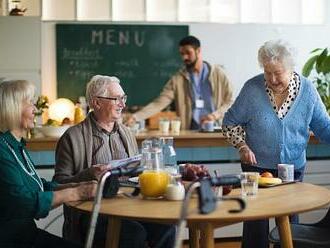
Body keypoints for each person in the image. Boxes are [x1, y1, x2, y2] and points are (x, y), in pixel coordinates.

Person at [222, 39, 330, 248]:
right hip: (256, 167)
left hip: (292, 168)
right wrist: (242, 146)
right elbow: (229, 123)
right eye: (267, 72)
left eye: (278, 72)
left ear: (291, 68)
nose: (272, 79)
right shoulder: (252, 89)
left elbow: (324, 127)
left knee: (289, 224)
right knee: (255, 223)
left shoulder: (307, 91)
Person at [53, 75, 175, 248]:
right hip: (92, 212)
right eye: (116, 99)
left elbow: (137, 174)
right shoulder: (72, 137)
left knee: (166, 226)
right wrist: (90, 173)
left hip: (130, 205)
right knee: (133, 233)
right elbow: (58, 184)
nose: (123, 104)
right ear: (96, 103)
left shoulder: (127, 134)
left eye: (123, 98)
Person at [0, 80, 97, 248]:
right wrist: (75, 193)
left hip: (25, 234)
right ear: (13, 108)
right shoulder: (2, 149)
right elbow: (23, 201)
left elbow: (37, 186)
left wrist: (78, 186)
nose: (35, 110)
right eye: (30, 102)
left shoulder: (16, 146)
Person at [126, 35, 233, 130]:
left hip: (216, 128)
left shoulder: (219, 74)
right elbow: (159, 103)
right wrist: (136, 117)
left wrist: (215, 115)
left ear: (198, 51)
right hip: (190, 131)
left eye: (188, 53)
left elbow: (230, 102)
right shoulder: (177, 79)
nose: (184, 57)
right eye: (182, 54)